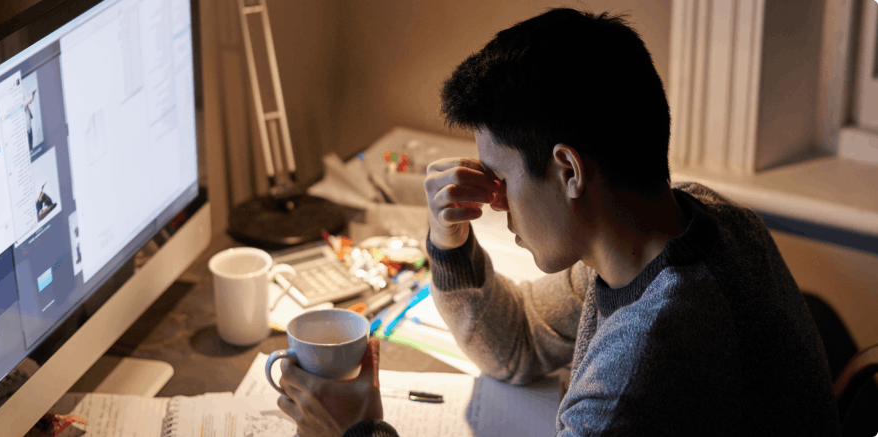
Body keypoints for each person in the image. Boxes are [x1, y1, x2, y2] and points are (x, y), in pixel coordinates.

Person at [276, 7, 842, 436]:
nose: (495, 201)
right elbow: (519, 343)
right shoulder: (689, 222)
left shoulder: (636, 376)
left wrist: (358, 433)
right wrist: (449, 245)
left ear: (568, 169)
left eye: (501, 176)